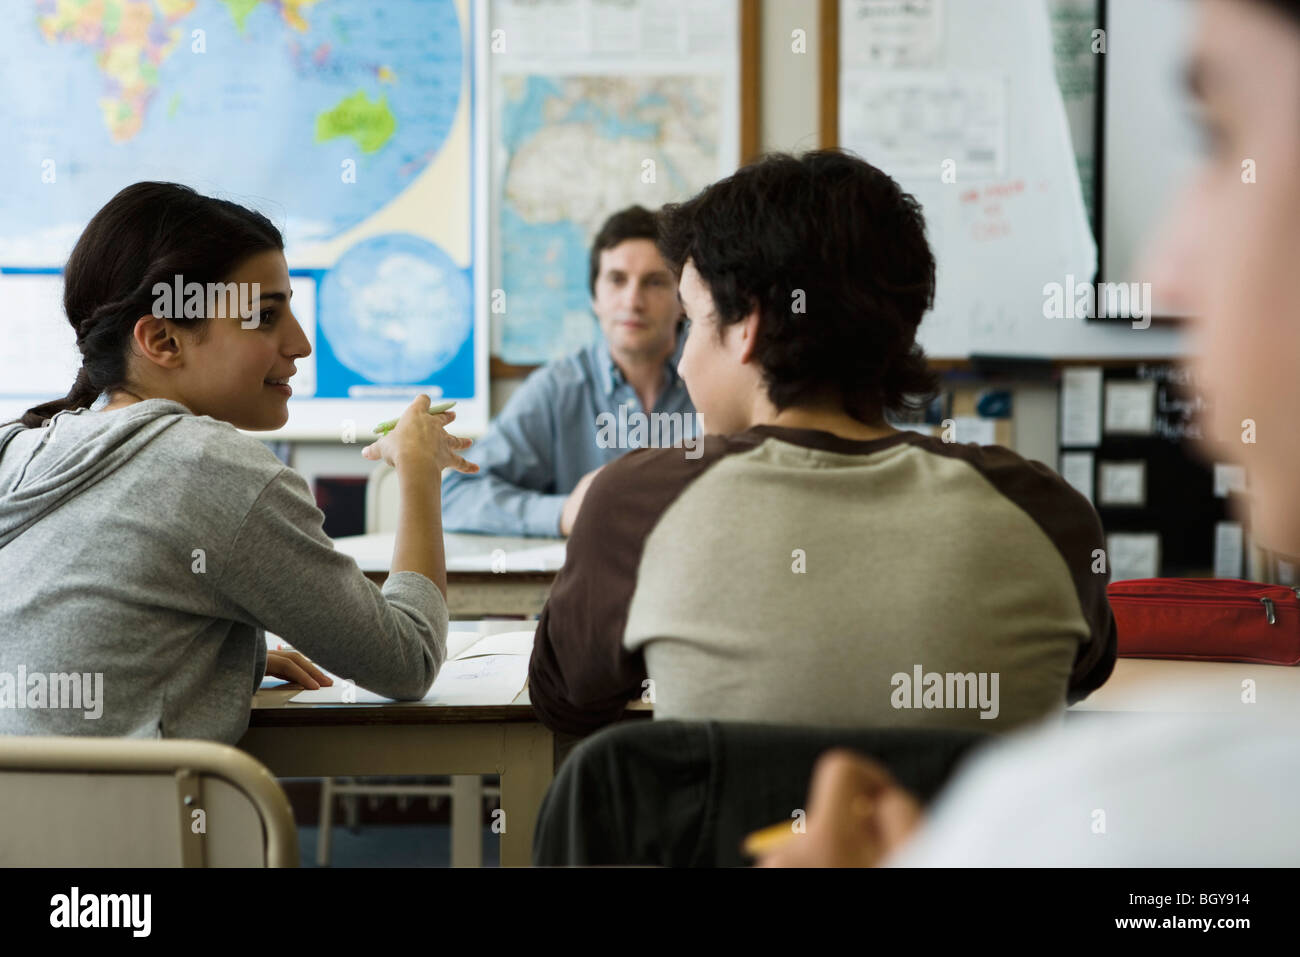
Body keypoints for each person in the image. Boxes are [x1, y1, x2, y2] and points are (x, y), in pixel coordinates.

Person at [759, 0, 1300, 867]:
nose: (1160, 270)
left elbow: (570, 686)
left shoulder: (1115, 818)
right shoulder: (1038, 506)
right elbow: (1086, 665)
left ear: (743, 330)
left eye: (1216, 137)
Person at [527, 150, 1116, 738]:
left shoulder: (636, 503)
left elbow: (568, 700)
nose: (682, 363)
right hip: (959, 833)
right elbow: (1080, 672)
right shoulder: (1048, 513)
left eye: (694, 321)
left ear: (747, 328)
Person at [0, 182, 476, 743]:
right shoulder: (211, 467)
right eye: (265, 317)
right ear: (163, 339)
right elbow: (409, 661)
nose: (300, 344)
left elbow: (75, 628)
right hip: (130, 828)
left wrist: (227, 657)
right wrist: (418, 472)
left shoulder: (18, 450)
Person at [440, 205, 696, 537]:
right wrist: (563, 514)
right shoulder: (557, 389)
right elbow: (456, 496)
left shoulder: (716, 379)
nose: (633, 301)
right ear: (594, 298)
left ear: (683, 301)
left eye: (654, 282)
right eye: (617, 280)